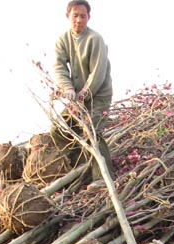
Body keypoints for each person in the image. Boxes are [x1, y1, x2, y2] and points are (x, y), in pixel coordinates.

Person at [53, 0, 114, 184]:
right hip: (78, 95)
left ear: (88, 18)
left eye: (83, 16)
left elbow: (98, 73)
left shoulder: (95, 39)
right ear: (67, 16)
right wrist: (68, 88)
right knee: (60, 130)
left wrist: (84, 93)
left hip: (98, 95)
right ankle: (76, 167)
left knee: (93, 132)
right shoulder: (63, 40)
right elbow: (59, 67)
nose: (79, 20)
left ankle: (103, 178)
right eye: (75, 15)